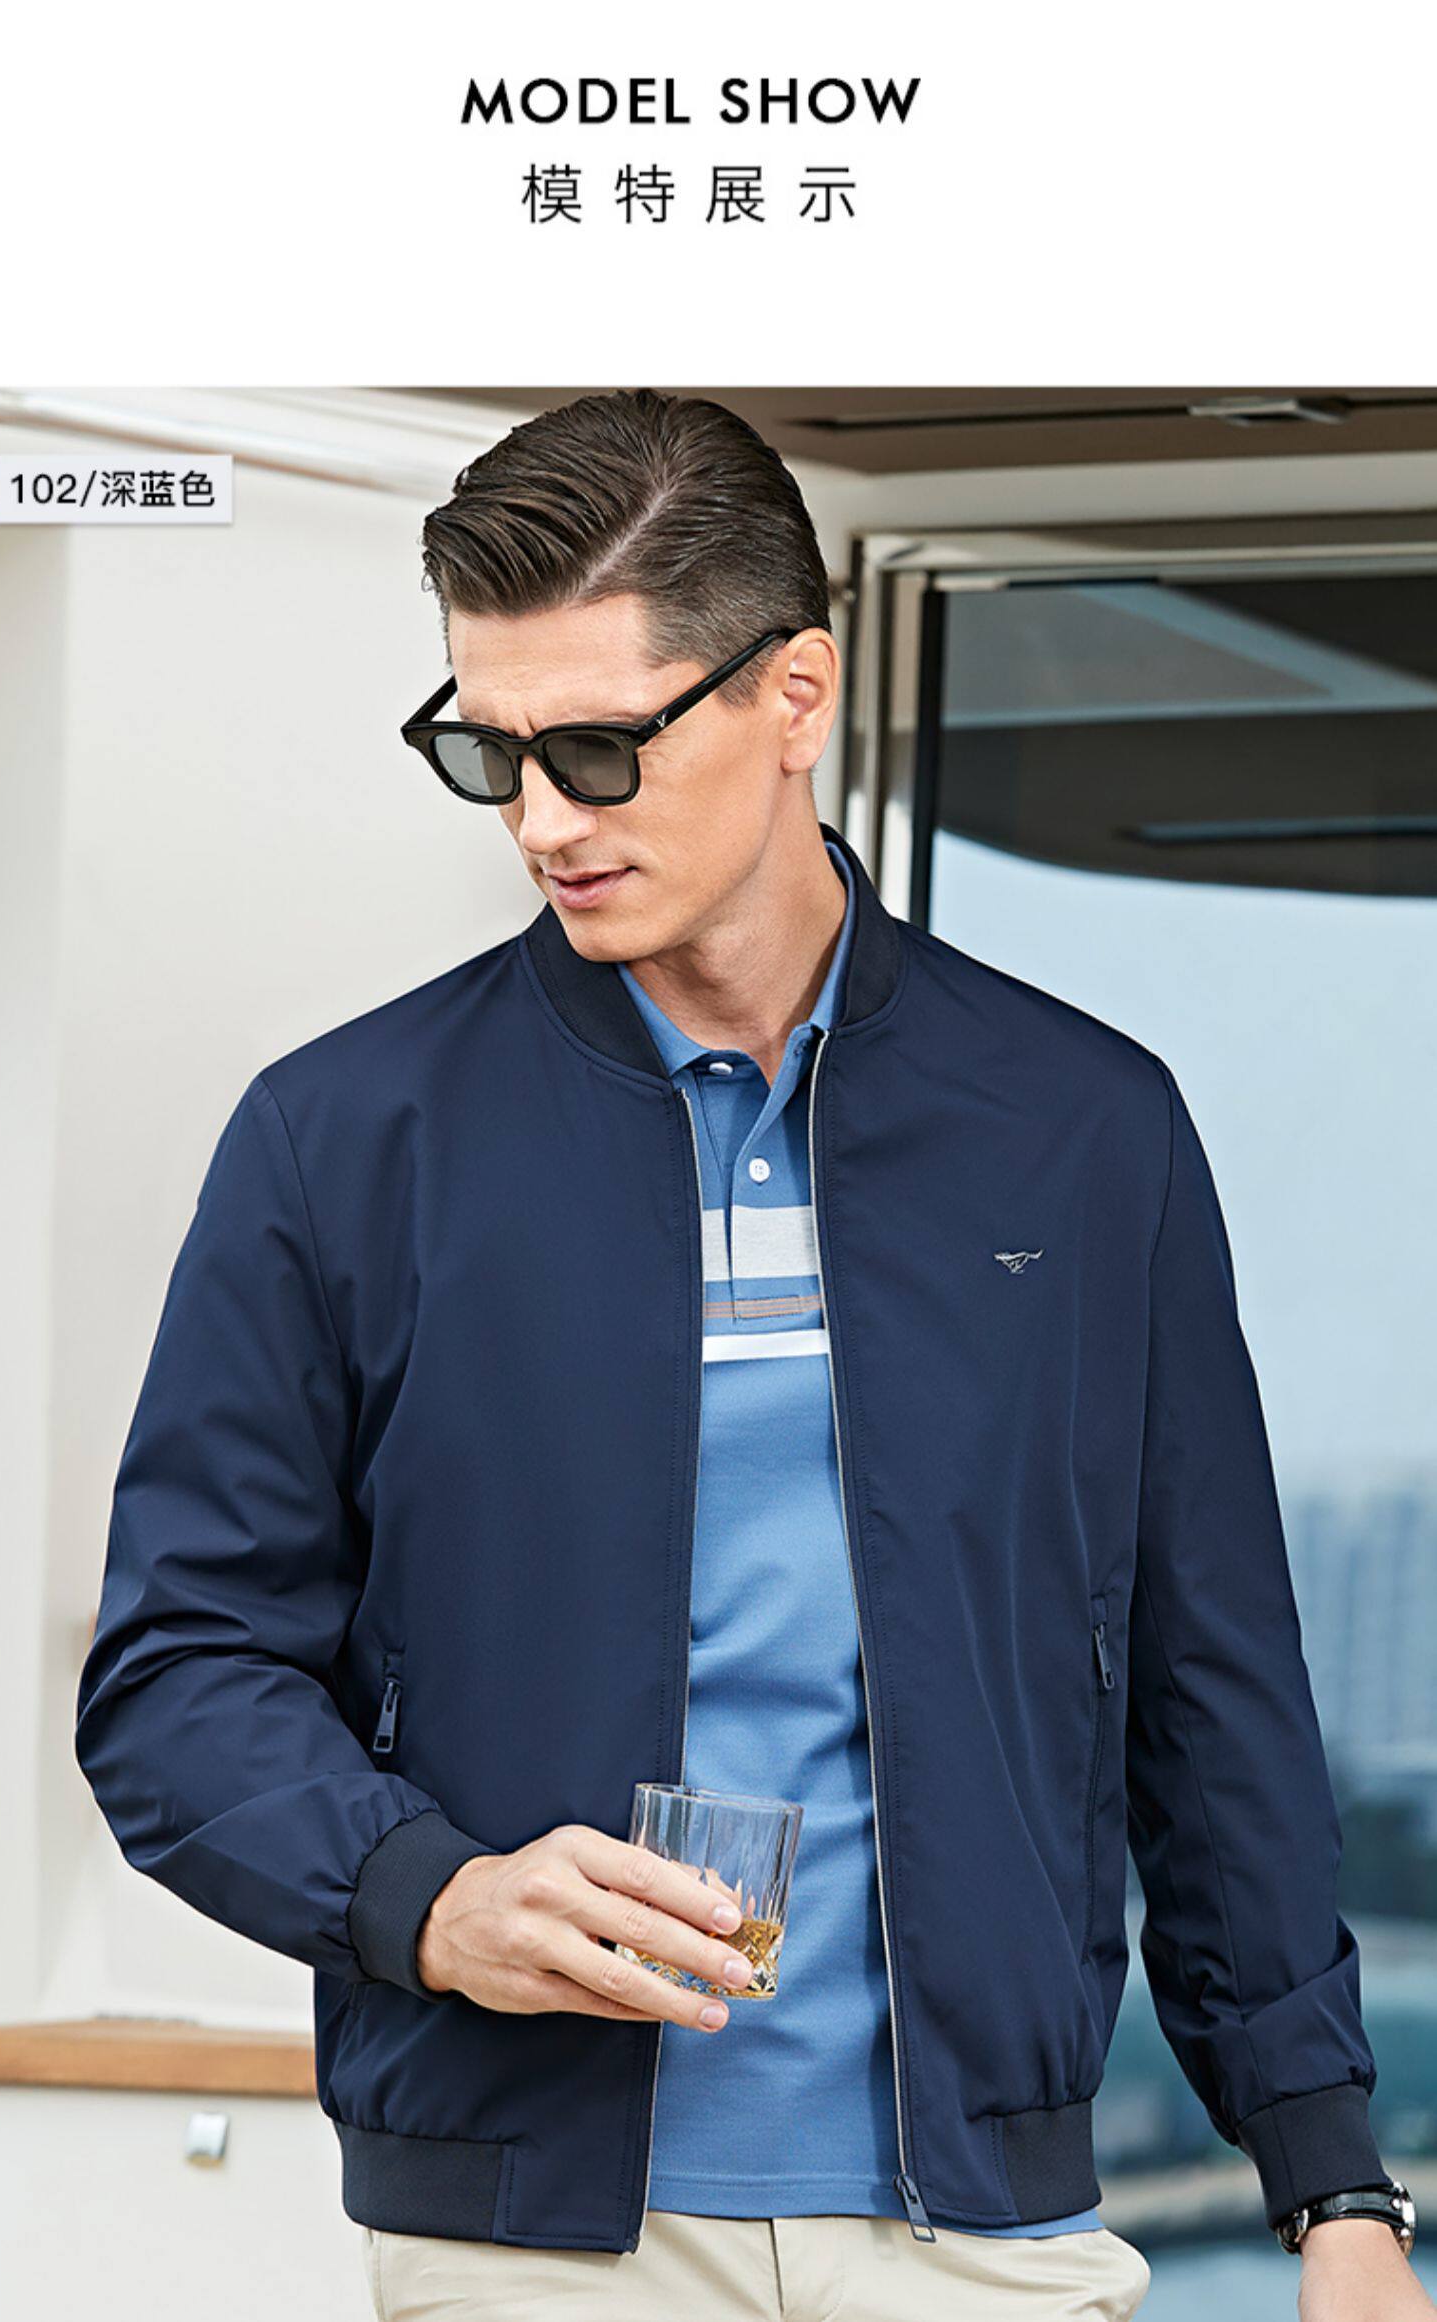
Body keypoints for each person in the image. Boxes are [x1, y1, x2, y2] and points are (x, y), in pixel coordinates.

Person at [75, 389, 1426, 2322]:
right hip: (530, 2246)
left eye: (599, 749)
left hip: (988, 2235)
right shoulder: (344, 1139)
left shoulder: (1082, 1131)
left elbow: (1212, 1690)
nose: (545, 820)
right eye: (491, 753)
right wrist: (431, 1895)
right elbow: (175, 1677)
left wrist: (1334, 2183)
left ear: (797, 693)